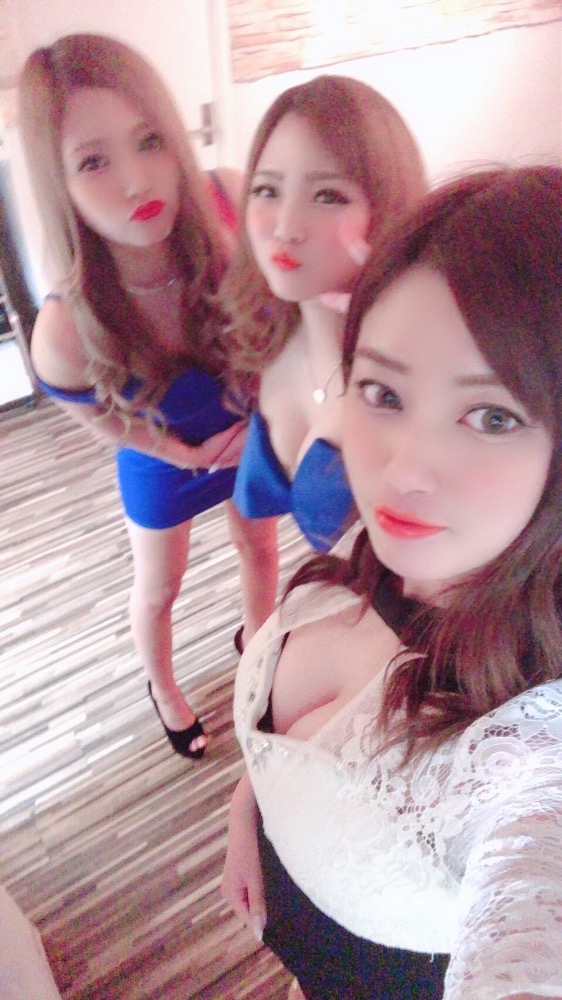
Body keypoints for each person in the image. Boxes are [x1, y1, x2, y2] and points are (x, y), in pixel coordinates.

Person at [222, 165, 562, 999]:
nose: (403, 471)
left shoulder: (531, 749)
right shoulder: (383, 547)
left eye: (492, 416)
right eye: (381, 391)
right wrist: (252, 802)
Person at [18, 33, 278, 759]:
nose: (137, 183)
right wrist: (185, 454)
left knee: (260, 546)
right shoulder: (64, 329)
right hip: (163, 452)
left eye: (149, 141)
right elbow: (103, 424)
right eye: (94, 161)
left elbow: (284, 317)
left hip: (246, 426)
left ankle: (261, 651)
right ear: (59, 181)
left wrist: (270, 406)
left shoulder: (230, 200)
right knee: (160, 586)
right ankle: (162, 688)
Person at [221, 75, 427, 591]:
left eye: (329, 196)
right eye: (267, 190)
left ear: (386, 209)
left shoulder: (424, 376)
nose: (286, 226)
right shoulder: (265, 332)